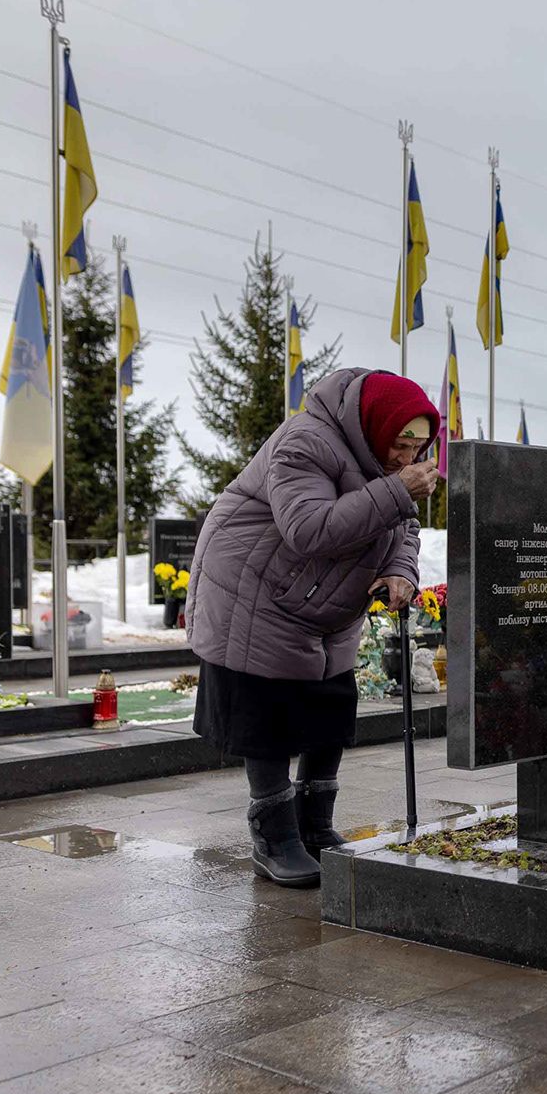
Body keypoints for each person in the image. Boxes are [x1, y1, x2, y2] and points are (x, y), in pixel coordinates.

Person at [184, 367, 439, 888]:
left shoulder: (384, 465)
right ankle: (273, 837)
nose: (408, 455)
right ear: (373, 424)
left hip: (326, 599)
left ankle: (316, 827)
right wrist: (395, 490)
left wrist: (399, 569)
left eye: (419, 444)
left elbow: (405, 525)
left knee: (329, 710)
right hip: (254, 592)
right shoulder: (305, 443)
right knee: (268, 719)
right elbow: (307, 529)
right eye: (401, 440)